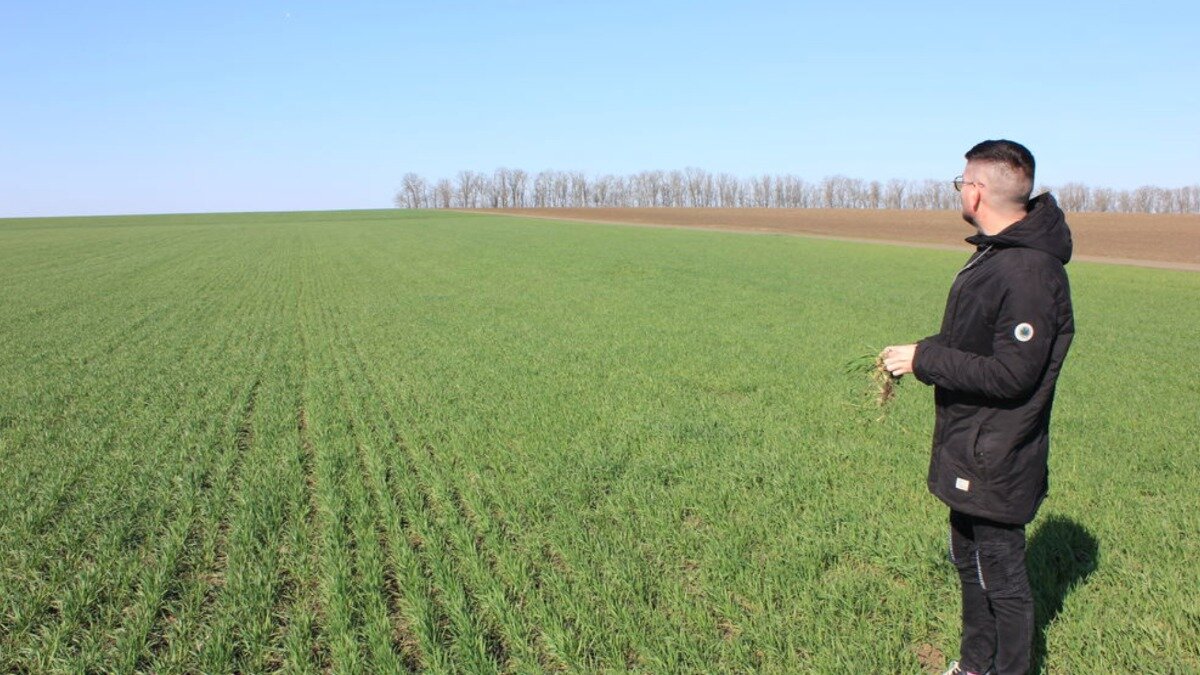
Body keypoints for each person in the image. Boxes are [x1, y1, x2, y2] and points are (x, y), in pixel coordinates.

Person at [881, 140, 1074, 675]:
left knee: (1002, 577)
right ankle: (973, 666)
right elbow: (972, 342)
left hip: (999, 452)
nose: (959, 189)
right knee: (969, 562)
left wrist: (927, 361)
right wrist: (918, 352)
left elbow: (1013, 374)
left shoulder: (1029, 272)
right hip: (972, 445)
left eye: (960, 181)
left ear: (977, 189)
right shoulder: (997, 255)